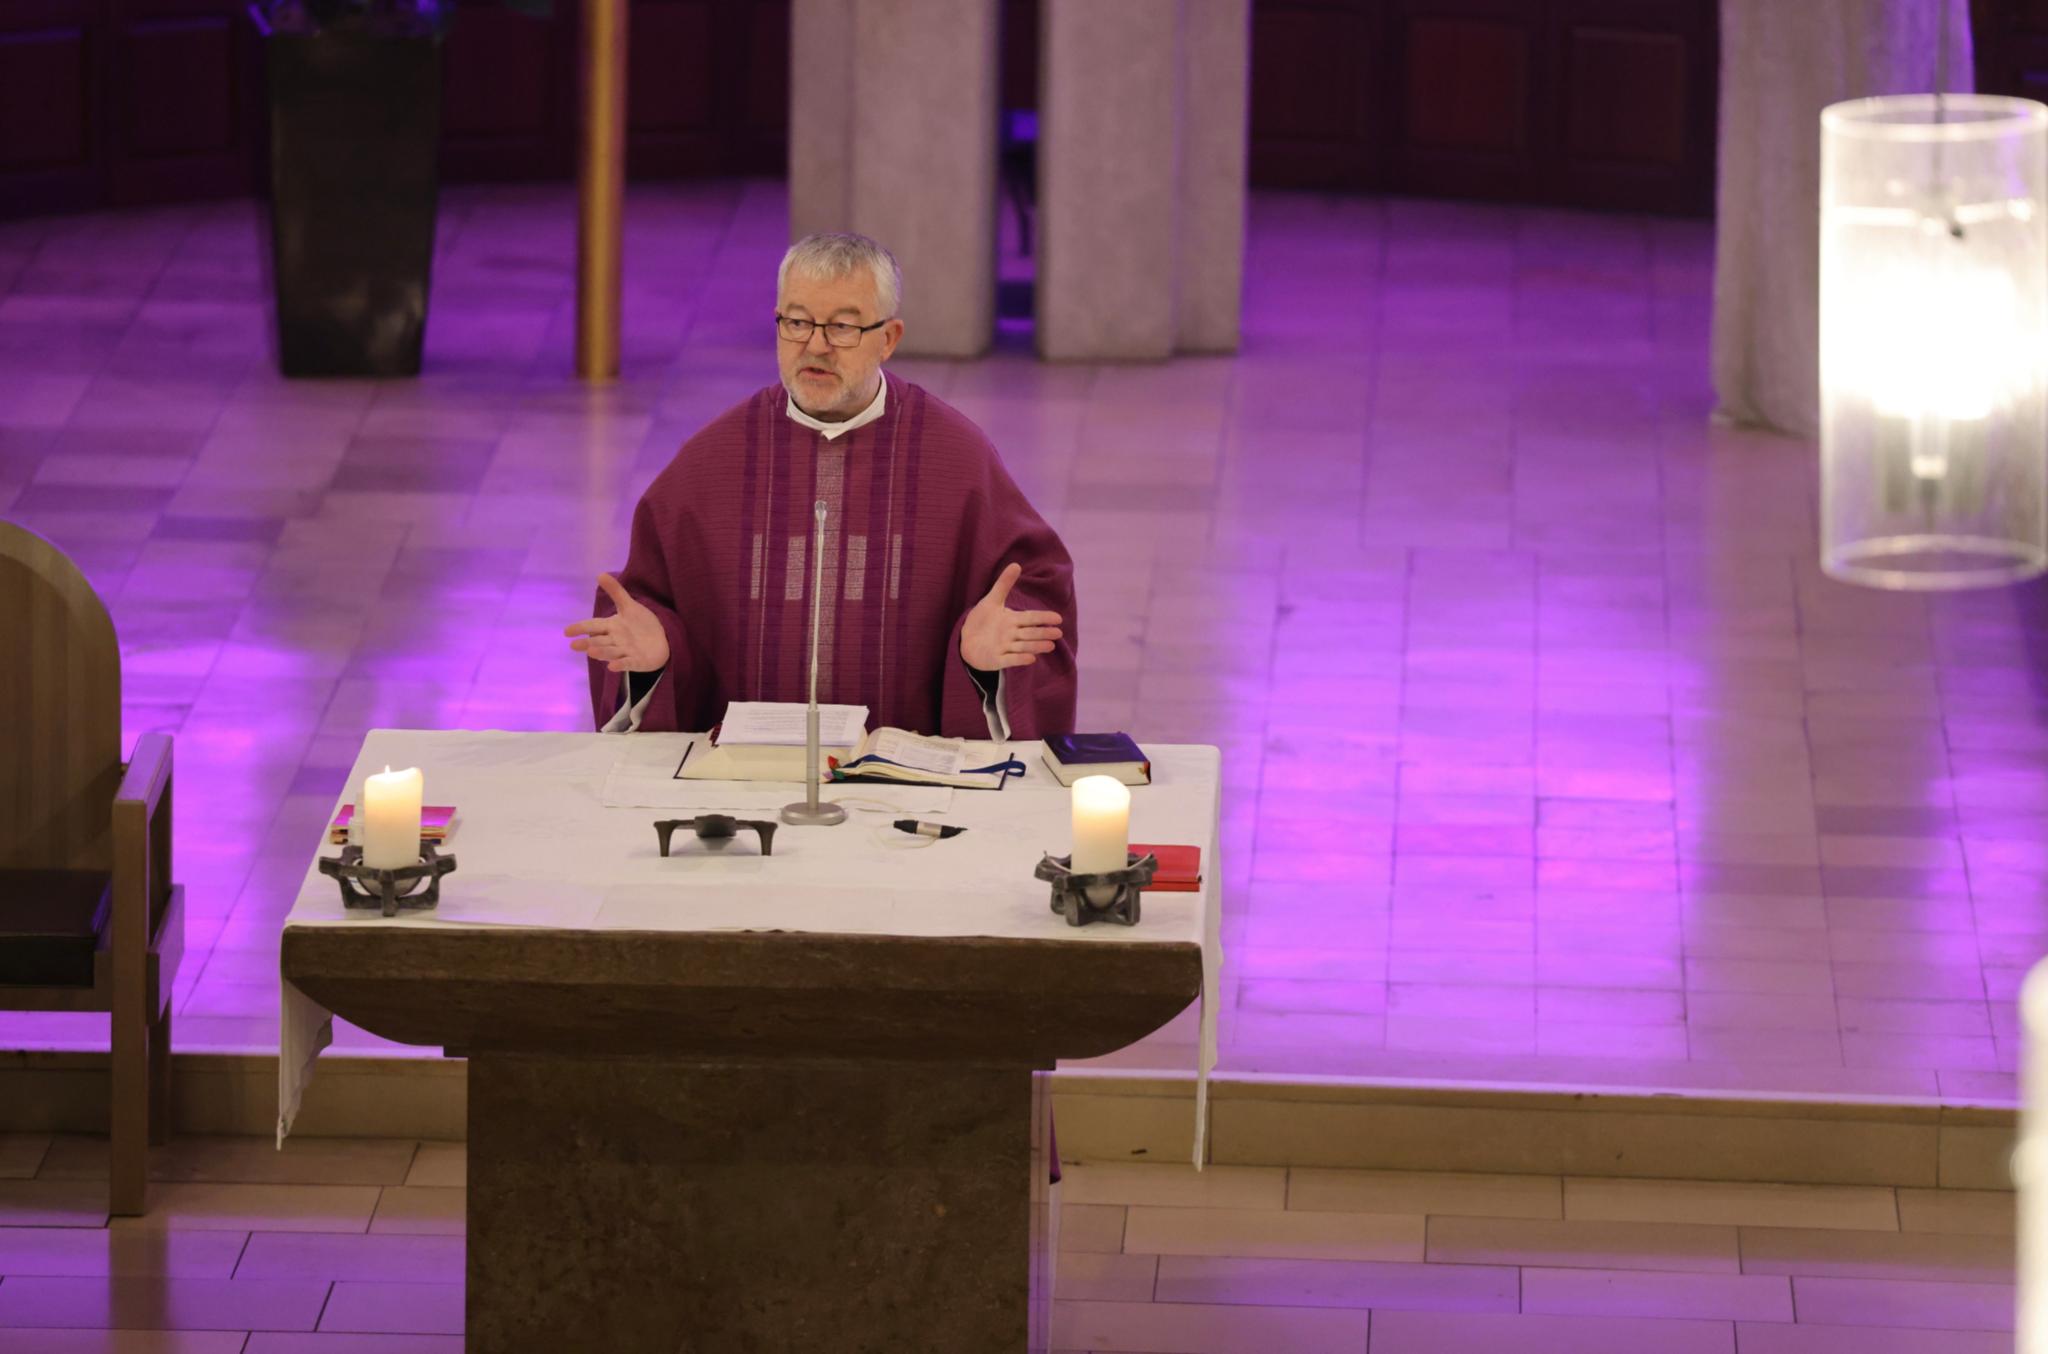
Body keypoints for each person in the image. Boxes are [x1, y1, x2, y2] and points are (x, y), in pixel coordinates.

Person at [565, 232, 1077, 739]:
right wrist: (657, 659)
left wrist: (985, 662)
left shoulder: (957, 459)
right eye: (797, 322)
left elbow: (1033, 587)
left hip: (901, 780)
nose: (815, 345)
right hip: (743, 779)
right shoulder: (710, 463)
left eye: (842, 327)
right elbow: (647, 603)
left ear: (889, 339)